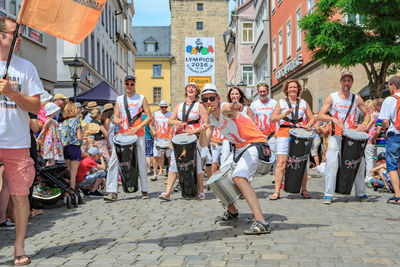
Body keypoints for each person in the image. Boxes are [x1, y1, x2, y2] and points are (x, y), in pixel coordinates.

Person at [0, 16, 44, 265]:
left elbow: (36, 105)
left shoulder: (25, 67)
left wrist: (12, 93)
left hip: (17, 142)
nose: (19, 38)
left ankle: (19, 247)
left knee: (19, 195)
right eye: (14, 33)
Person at [200, 83, 271, 235]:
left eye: (211, 98)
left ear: (218, 99)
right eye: (205, 100)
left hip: (254, 143)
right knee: (217, 180)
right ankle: (232, 211)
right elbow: (204, 143)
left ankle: (261, 221)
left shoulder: (225, 108)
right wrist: (201, 131)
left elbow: (231, 108)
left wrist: (236, 105)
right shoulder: (211, 117)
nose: (208, 102)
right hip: (238, 147)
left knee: (239, 178)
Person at [318, 71, 370, 204]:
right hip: (336, 135)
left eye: (349, 80)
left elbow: (367, 114)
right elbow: (320, 115)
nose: (346, 83)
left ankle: (361, 193)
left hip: (352, 137)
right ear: (340, 81)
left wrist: (364, 124)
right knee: (332, 163)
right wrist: (333, 119)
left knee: (360, 164)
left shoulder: (356, 98)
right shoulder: (332, 97)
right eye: (344, 80)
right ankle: (328, 194)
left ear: (352, 82)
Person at [104, 75, 152, 201]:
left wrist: (137, 127)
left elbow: (149, 116)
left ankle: (144, 189)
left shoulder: (141, 98)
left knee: (141, 161)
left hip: (138, 134)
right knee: (114, 161)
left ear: (134, 84)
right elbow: (115, 116)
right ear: (124, 84)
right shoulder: (119, 99)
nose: (129, 86)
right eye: (127, 84)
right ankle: (112, 191)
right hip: (122, 134)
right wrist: (117, 121)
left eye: (132, 84)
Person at [158, 82, 208, 201]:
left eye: (194, 88)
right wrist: (177, 122)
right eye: (189, 87)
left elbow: (206, 123)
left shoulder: (199, 106)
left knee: (197, 165)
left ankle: (201, 192)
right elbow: (170, 121)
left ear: (197, 92)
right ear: (186, 90)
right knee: (174, 164)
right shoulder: (180, 105)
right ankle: (167, 192)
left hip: (194, 138)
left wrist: (196, 130)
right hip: (179, 139)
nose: (191, 89)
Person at [270, 79, 315, 200]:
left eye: (295, 87)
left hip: (300, 134)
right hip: (284, 133)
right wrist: (285, 114)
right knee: (281, 163)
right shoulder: (281, 102)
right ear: (286, 90)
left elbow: (312, 118)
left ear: (298, 89)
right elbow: (273, 118)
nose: (293, 89)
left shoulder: (304, 103)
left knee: (302, 163)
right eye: (290, 87)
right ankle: (276, 192)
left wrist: (308, 125)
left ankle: (304, 189)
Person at [378, 75, 400, 204]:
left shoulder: (389, 100)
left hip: (395, 135)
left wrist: (385, 129)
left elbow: (385, 121)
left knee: (392, 166)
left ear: (392, 85)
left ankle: (398, 195)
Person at [250, 83, 278, 176]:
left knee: (274, 157)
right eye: (260, 91)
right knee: (256, 156)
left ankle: (277, 178)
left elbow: (278, 118)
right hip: (259, 135)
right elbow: (251, 120)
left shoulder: (274, 103)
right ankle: (251, 178)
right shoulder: (254, 105)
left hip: (272, 134)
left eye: (264, 91)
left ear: (268, 91)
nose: (262, 93)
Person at [59, 102, 82, 193]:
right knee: (73, 173)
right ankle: (72, 192)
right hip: (75, 147)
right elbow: (79, 137)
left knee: (67, 171)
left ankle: (66, 193)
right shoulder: (76, 121)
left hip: (66, 148)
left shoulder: (64, 122)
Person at [150, 100, 172, 181]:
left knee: (169, 156)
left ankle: (169, 171)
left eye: (165, 107)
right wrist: (153, 131)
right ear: (159, 107)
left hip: (168, 138)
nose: (164, 108)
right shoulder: (156, 114)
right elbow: (151, 124)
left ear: (167, 107)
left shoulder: (171, 114)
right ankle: (155, 174)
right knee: (156, 156)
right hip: (158, 138)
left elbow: (173, 125)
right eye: (162, 107)